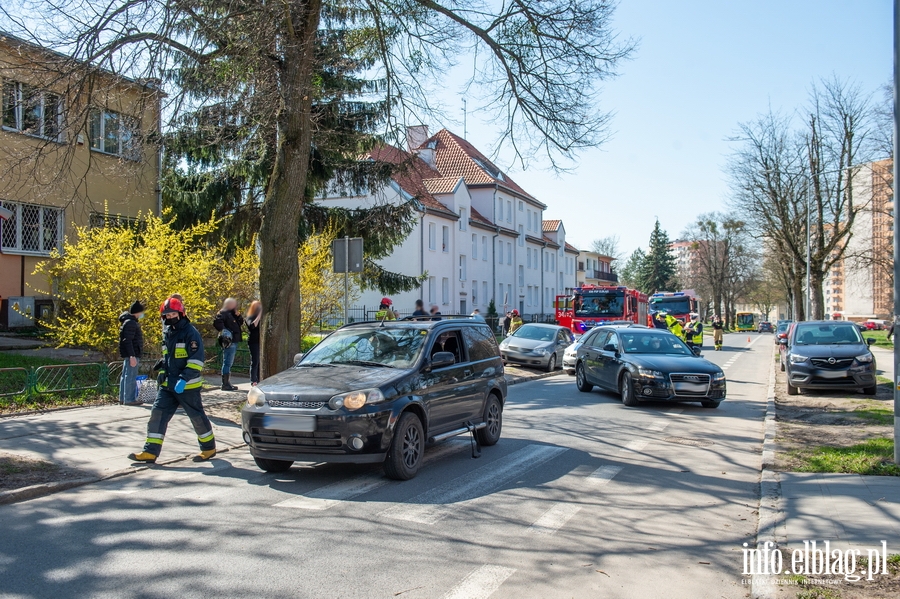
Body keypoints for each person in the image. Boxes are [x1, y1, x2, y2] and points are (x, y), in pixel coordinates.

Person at [128, 297, 216, 463]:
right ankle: (150, 451)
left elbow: (196, 361)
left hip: (187, 385)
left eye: (173, 314)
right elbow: (169, 356)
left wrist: (183, 379)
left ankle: (208, 448)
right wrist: (163, 367)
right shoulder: (168, 332)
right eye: (166, 315)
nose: (170, 317)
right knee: (157, 414)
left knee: (196, 417)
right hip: (168, 384)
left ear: (181, 313)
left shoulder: (191, 333)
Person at [118, 300, 145, 406]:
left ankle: (123, 398)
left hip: (129, 353)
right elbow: (128, 340)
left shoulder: (127, 321)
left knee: (125, 375)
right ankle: (129, 399)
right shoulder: (131, 323)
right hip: (132, 354)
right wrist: (132, 355)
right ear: (137, 312)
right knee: (131, 376)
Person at [214, 298, 244, 391]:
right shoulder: (223, 313)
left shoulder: (232, 313)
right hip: (229, 340)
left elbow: (241, 323)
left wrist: (238, 316)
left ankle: (227, 382)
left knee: (229, 362)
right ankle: (225, 384)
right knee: (227, 362)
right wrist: (226, 332)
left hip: (234, 340)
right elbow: (217, 323)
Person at [245, 300, 262, 386]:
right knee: (255, 361)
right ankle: (253, 380)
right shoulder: (249, 317)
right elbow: (253, 326)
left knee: (260, 361)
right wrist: (259, 316)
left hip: (260, 342)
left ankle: (260, 378)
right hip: (254, 341)